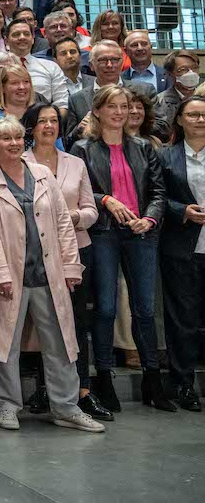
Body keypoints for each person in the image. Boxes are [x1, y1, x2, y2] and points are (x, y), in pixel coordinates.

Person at [0, 116, 105, 432]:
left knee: (61, 342)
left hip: (49, 274)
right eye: (5, 139)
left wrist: (72, 266)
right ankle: (6, 406)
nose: (14, 143)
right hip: (9, 277)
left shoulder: (43, 174)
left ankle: (66, 407)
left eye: (18, 137)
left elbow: (62, 223)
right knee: (6, 344)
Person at [70, 85, 171, 413]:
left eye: (124, 106)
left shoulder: (144, 146)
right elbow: (80, 194)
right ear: (97, 111)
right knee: (106, 308)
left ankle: (152, 379)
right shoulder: (82, 148)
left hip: (141, 233)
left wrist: (151, 219)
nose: (119, 112)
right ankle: (104, 378)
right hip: (103, 234)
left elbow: (158, 192)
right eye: (111, 106)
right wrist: (106, 200)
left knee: (144, 309)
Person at [20, 102, 113, 419]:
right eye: (42, 121)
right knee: (43, 322)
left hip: (76, 249)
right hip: (37, 252)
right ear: (30, 128)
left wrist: (68, 216)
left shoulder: (75, 163)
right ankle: (45, 389)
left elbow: (91, 209)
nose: (49, 126)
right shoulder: (20, 163)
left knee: (76, 321)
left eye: (54, 121)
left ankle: (83, 391)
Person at [157, 95, 205, 411]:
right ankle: (183, 384)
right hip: (184, 248)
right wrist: (182, 209)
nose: (200, 120)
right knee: (183, 319)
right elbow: (157, 196)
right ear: (180, 119)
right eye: (193, 115)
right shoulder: (166, 156)